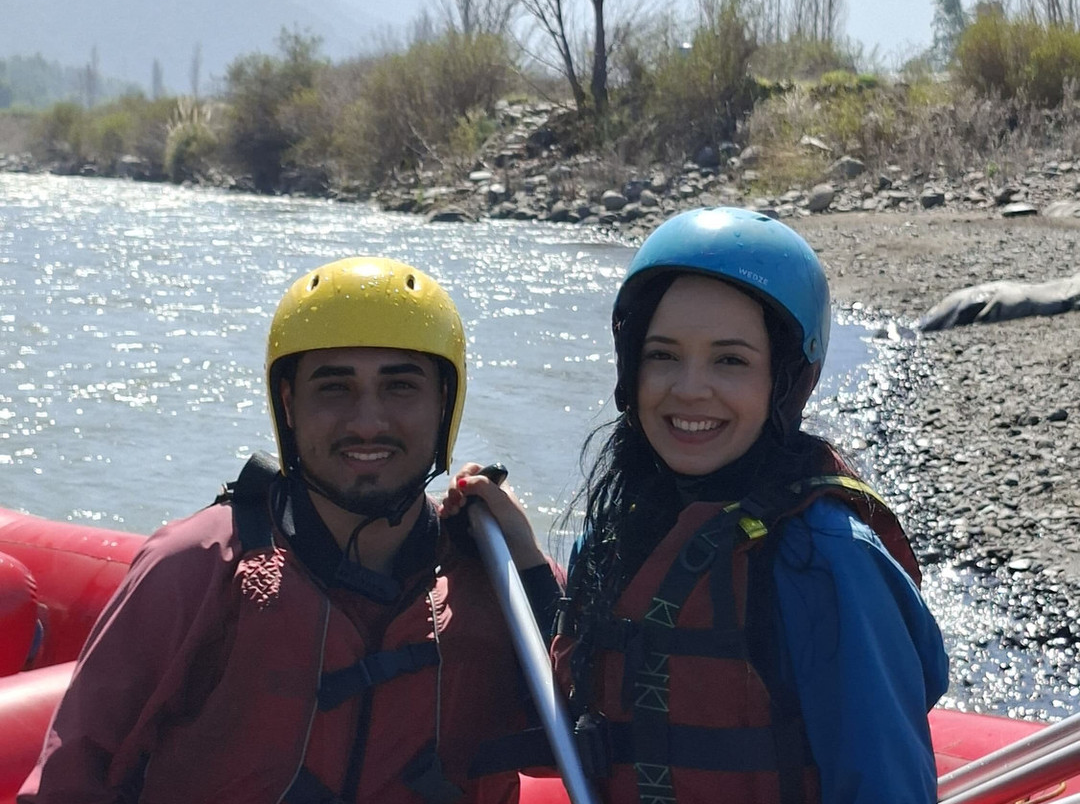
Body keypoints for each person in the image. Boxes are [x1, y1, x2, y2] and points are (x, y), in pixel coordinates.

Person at [19, 257, 561, 804]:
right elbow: (71, 779)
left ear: (444, 404)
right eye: (334, 388)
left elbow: (582, 753)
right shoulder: (197, 565)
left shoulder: (498, 578)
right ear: (288, 404)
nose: (367, 422)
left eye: (400, 387)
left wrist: (531, 569)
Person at [453, 207, 950, 804]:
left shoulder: (827, 558)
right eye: (662, 355)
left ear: (789, 380)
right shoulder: (629, 525)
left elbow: (888, 784)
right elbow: (591, 697)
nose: (689, 388)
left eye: (730, 360)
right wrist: (526, 557)